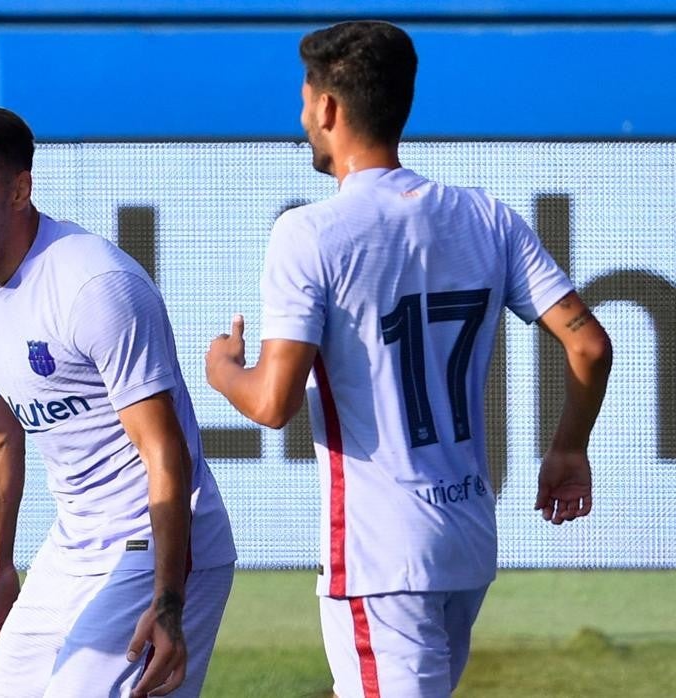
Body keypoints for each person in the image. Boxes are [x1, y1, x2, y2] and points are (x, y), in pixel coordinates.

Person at [205, 21, 612, 698]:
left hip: (381, 556)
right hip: (465, 538)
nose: (302, 116)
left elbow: (272, 403)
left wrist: (222, 369)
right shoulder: (487, 216)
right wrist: (570, 449)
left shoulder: (308, 233)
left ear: (329, 108)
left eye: (306, 101)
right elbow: (590, 344)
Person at [0, 105, 236, 697]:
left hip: (160, 546)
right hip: (71, 550)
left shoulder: (94, 285)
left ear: (20, 189)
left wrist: (169, 602)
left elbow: (165, 456)